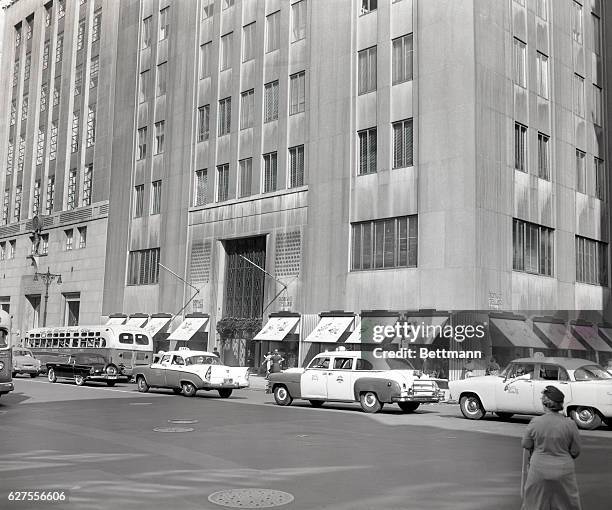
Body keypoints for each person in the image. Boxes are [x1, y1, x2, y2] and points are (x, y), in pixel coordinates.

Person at [521, 385, 582, 510]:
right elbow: (575, 451)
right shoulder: (570, 424)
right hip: (564, 471)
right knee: (567, 504)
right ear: (561, 404)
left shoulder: (535, 422)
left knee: (535, 503)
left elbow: (526, 444)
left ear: (544, 404)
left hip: (538, 470)